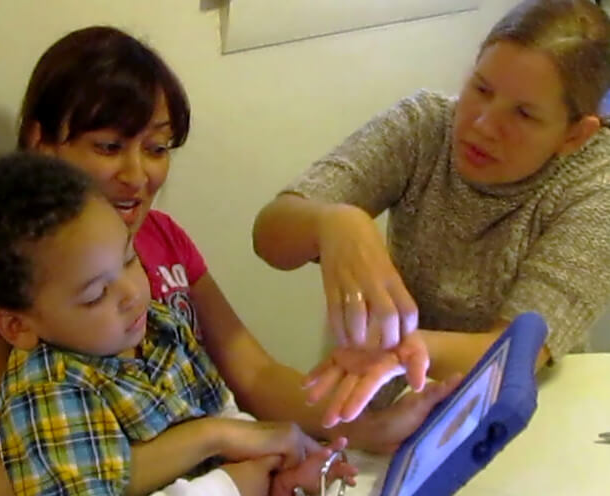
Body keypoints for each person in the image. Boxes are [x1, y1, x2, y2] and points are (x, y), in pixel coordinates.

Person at [0, 26, 455, 496]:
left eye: (157, 148)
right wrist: (210, 444)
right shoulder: (4, 285)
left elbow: (251, 374)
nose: (138, 175)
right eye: (110, 145)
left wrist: (360, 427)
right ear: (41, 145)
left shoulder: (161, 237)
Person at [0, 151, 358, 496]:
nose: (130, 293)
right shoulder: (51, 388)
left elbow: (223, 417)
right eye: (93, 295)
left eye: (127, 259)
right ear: (17, 326)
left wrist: (274, 466)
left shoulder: (159, 325)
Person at [253, 0, 610, 424]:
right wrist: (333, 222)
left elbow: (513, 354)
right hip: (394, 398)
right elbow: (271, 236)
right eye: (481, 88)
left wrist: (402, 350)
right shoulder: (424, 126)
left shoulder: (596, 185)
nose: (481, 124)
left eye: (524, 114)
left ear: (575, 134)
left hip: (522, 408)